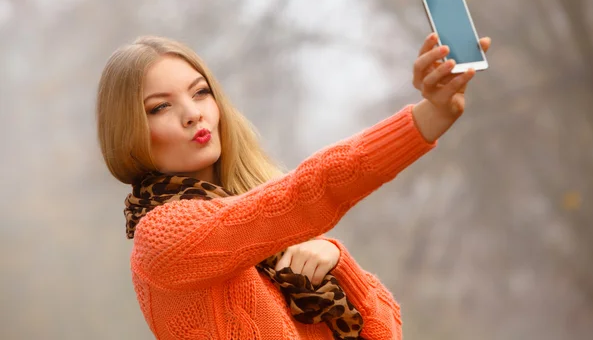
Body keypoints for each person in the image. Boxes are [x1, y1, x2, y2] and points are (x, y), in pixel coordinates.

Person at [96, 32, 490, 340]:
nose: (192, 113)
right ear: (129, 131)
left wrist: (339, 263)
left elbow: (386, 330)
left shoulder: (278, 232)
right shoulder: (163, 238)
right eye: (160, 107)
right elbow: (306, 191)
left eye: (201, 92)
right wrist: (426, 119)